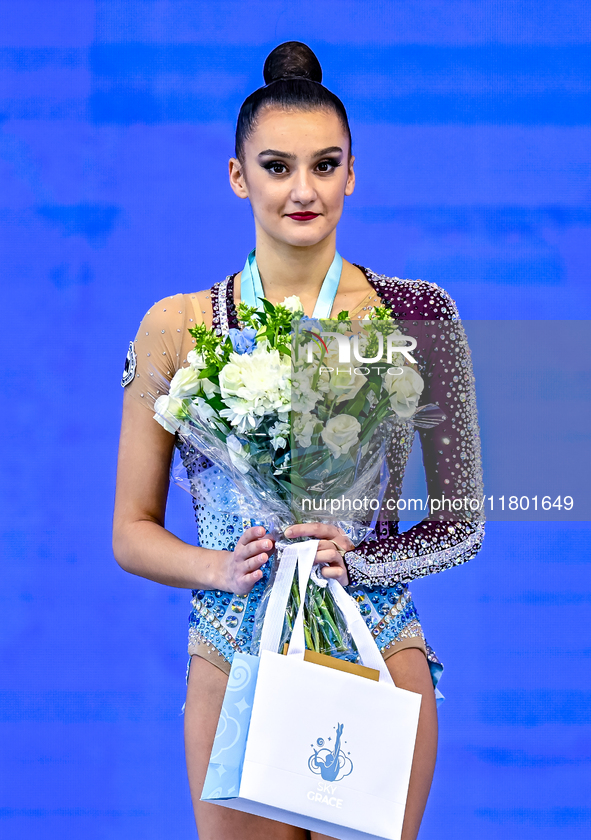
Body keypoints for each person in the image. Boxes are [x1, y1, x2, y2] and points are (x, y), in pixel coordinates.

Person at [113, 41, 484, 840]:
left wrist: (360, 560)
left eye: (325, 165)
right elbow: (130, 532)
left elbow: (463, 521)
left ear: (352, 171)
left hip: (376, 637)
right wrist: (222, 566)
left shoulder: (416, 314)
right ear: (238, 176)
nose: (303, 189)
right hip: (233, 641)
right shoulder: (174, 326)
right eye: (277, 167)